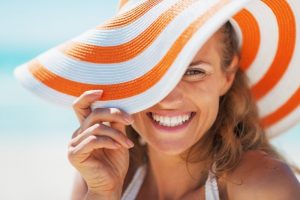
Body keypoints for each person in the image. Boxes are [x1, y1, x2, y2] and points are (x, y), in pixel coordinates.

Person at [13, 0, 300, 199]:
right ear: (123, 80)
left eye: (194, 72)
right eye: (150, 74)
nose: (168, 98)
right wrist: (103, 194)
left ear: (227, 75)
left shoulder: (261, 185)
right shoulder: (103, 176)